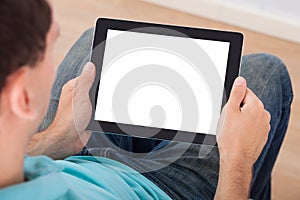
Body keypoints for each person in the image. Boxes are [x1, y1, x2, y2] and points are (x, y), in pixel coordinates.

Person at [0, 0, 293, 199]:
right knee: (265, 70)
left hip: (69, 160)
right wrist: (238, 160)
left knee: (97, 44)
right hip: (159, 190)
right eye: (51, 48)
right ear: (22, 97)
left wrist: (58, 138)